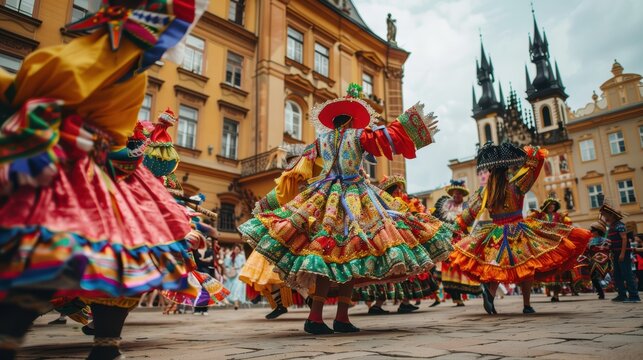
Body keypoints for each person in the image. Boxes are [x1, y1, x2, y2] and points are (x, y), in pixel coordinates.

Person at [0, 1, 208, 358]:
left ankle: (36, 338)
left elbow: (38, 86)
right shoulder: (112, 56)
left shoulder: (123, 62)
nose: (159, 46)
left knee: (55, 253)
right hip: (71, 166)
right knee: (86, 254)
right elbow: (49, 88)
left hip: (86, 169)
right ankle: (98, 342)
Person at [238, 84, 453, 334]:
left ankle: (323, 317)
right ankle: (334, 317)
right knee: (352, 254)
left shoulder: (320, 141)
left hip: (323, 198)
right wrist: (415, 126)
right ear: (351, 119)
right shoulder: (359, 136)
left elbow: (295, 171)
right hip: (354, 198)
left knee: (330, 256)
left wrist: (271, 202)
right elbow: (387, 139)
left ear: (333, 121)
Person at [449, 142, 591, 314]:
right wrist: (529, 153)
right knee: (528, 266)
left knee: (495, 266)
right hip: (519, 229)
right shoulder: (517, 185)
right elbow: (535, 164)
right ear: (506, 171)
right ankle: (527, 304)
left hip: (495, 232)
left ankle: (491, 294)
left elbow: (469, 214)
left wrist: (456, 228)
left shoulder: (485, 192)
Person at [354, 175, 440, 315]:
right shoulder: (392, 203)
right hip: (395, 239)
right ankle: (383, 304)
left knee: (401, 273)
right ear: (393, 191)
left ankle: (400, 303)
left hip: (396, 239)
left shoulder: (386, 203)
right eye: (398, 188)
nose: (401, 191)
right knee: (397, 273)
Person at [434, 180, 482, 306]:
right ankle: (455, 296)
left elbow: (470, 222)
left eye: (459, 194)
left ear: (462, 195)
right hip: (448, 240)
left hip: (461, 240)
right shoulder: (445, 205)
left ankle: (460, 294)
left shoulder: (466, 207)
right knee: (449, 268)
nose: (456, 196)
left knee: (460, 266)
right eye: (454, 194)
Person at [530, 197, 576, 302]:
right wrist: (535, 214)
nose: (552, 207)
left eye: (553, 206)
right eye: (550, 205)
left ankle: (556, 294)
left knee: (558, 267)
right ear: (546, 207)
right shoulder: (541, 215)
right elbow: (532, 222)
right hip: (544, 243)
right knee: (545, 264)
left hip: (557, 243)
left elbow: (567, 225)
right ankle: (549, 290)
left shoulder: (559, 216)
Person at [600, 204, 640, 302]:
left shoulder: (620, 225)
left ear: (611, 215)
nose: (604, 217)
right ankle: (622, 295)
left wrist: (622, 254)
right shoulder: (611, 226)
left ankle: (634, 295)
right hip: (615, 253)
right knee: (617, 275)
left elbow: (624, 239)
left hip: (623, 253)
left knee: (627, 274)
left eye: (605, 215)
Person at [586, 221, 611, 299]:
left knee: (598, 277)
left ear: (597, 231)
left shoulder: (606, 240)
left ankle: (601, 291)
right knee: (593, 277)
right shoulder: (590, 241)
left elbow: (608, 250)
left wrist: (601, 248)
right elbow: (587, 250)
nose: (591, 232)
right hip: (593, 261)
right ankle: (600, 291)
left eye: (592, 230)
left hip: (604, 261)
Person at [225, 245, 248, 310]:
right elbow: (226, 265)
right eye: (236, 249)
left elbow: (244, 265)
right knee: (232, 289)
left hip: (240, 274)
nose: (237, 250)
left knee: (238, 288)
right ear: (233, 249)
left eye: (238, 249)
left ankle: (236, 303)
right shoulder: (229, 256)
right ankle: (235, 302)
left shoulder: (242, 256)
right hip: (232, 274)